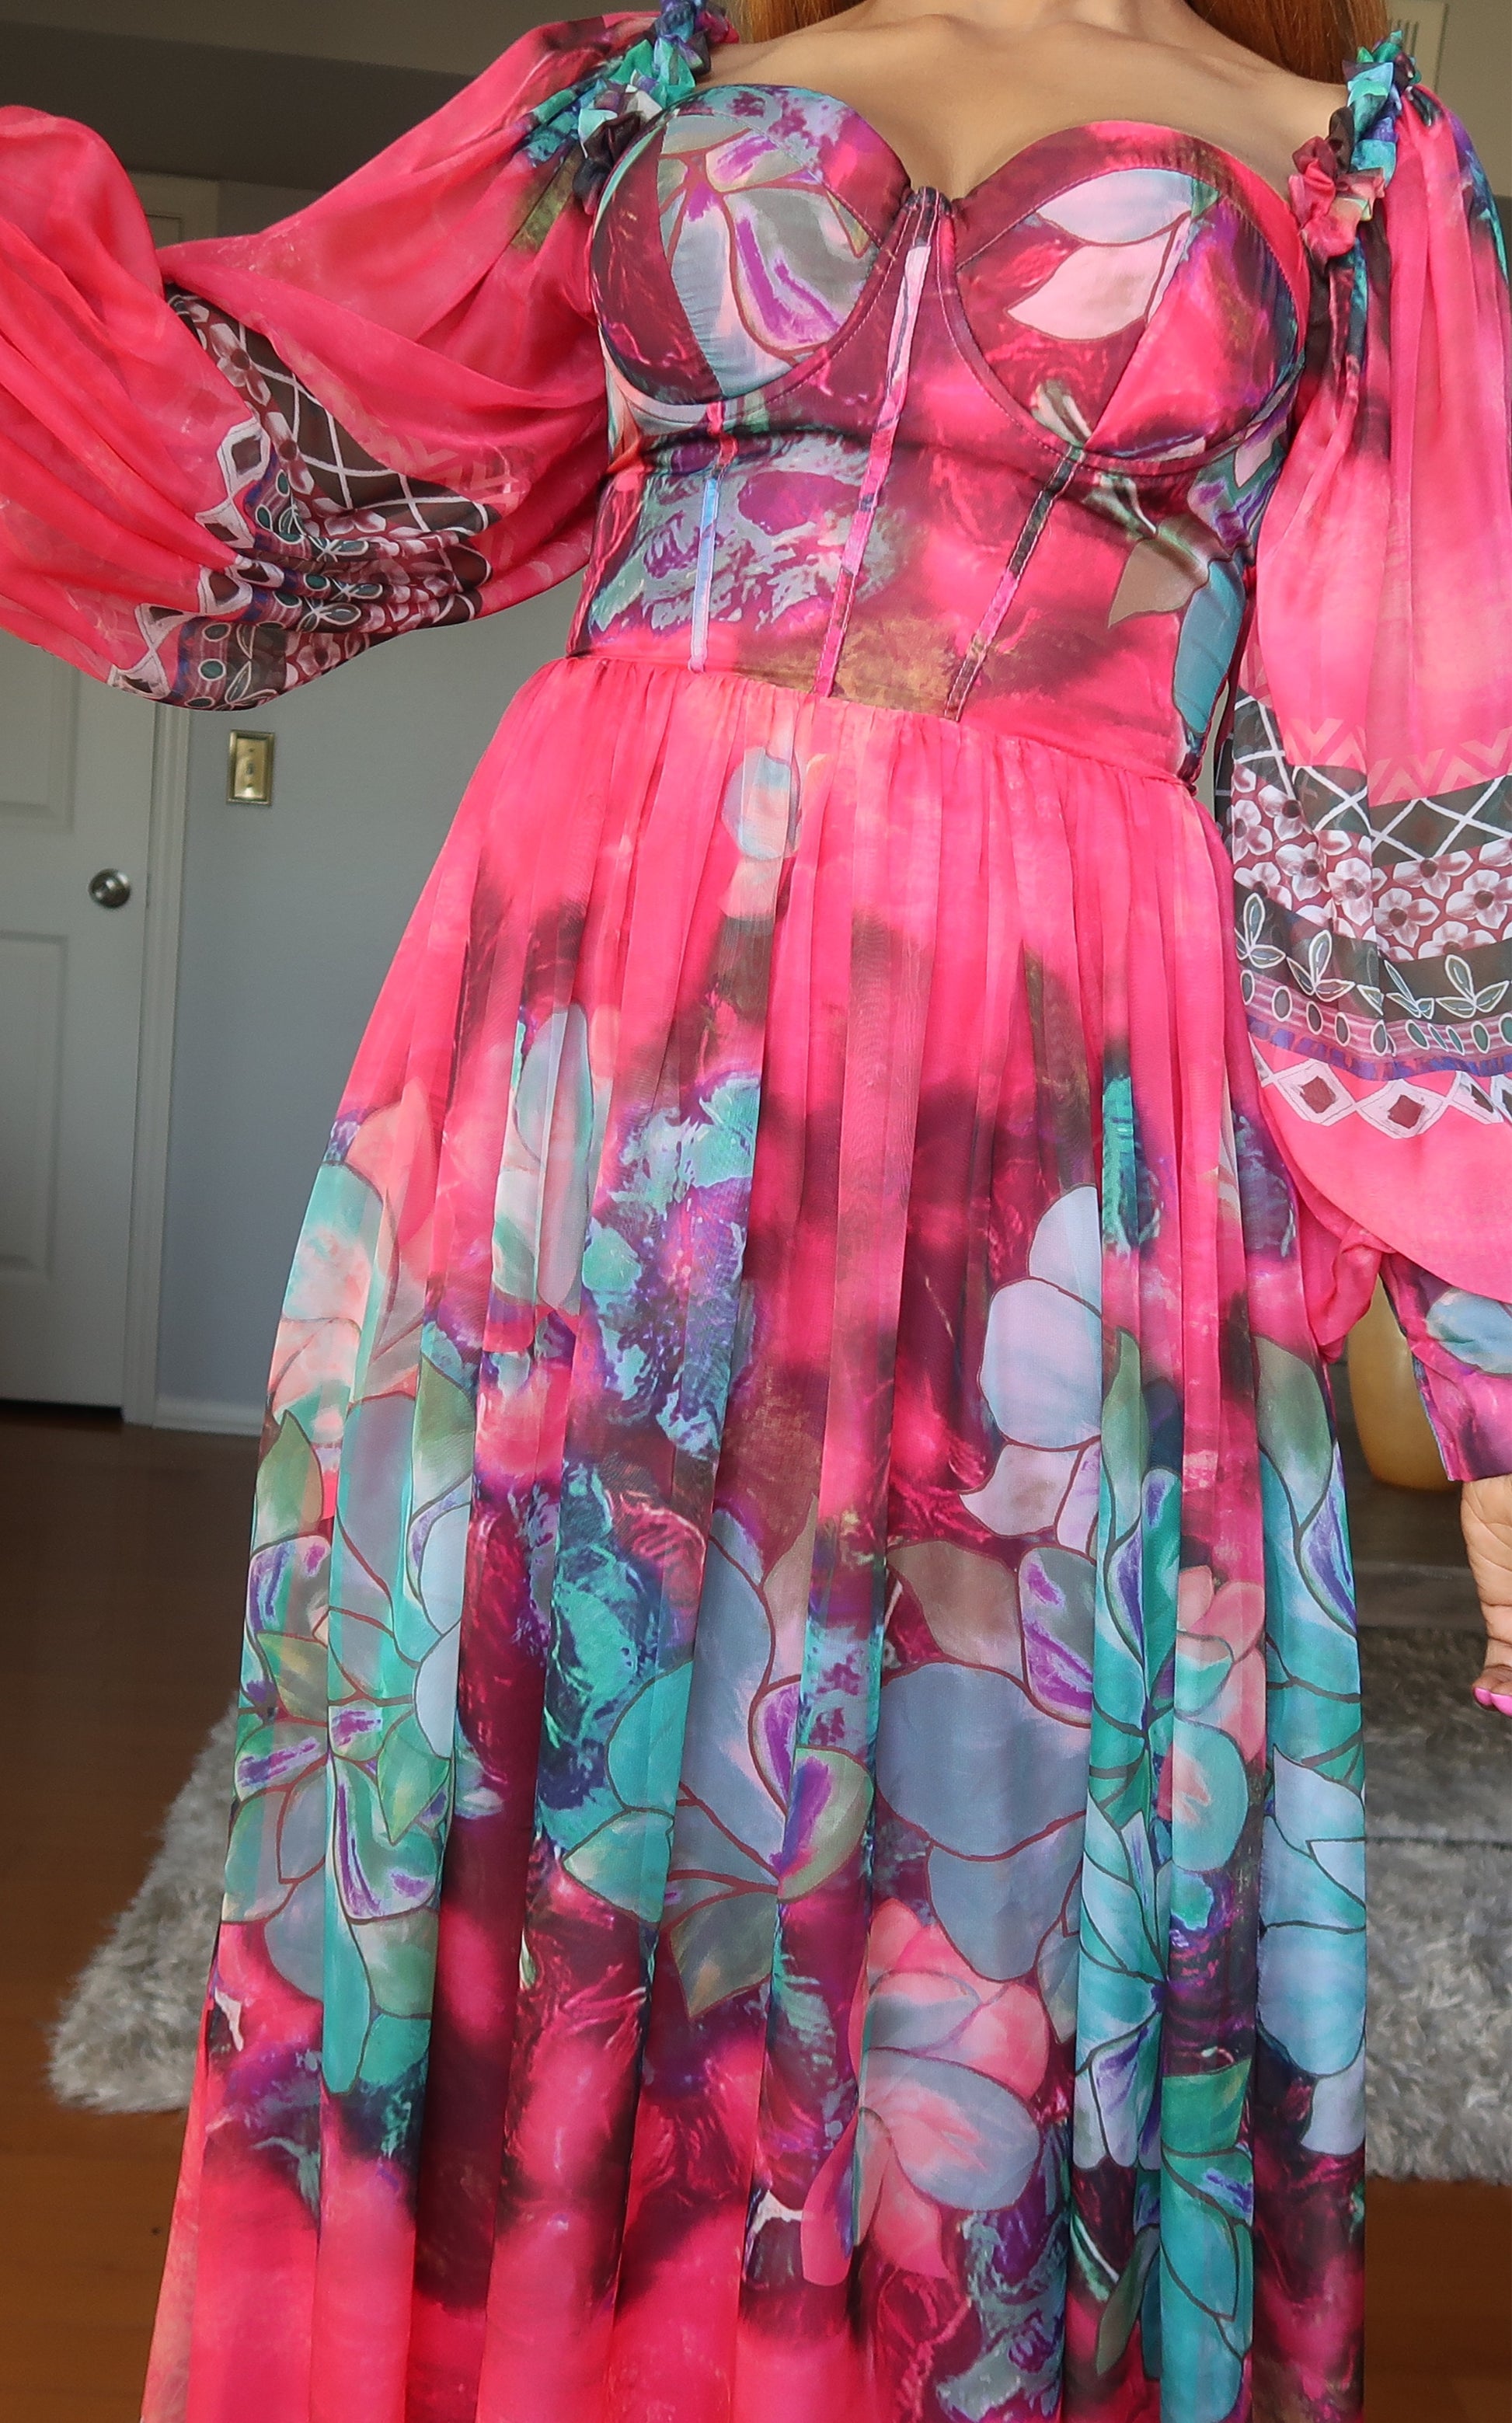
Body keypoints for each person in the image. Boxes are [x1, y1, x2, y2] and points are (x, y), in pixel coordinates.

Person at [2, 0, 1510, 2412]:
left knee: (981, 1787)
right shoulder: (650, 77)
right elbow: (267, 443)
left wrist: (1483, 1344)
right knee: (525, 1698)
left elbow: (1422, 754)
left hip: (1051, 1066)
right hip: (600, 1026)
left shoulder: (1342, 173)